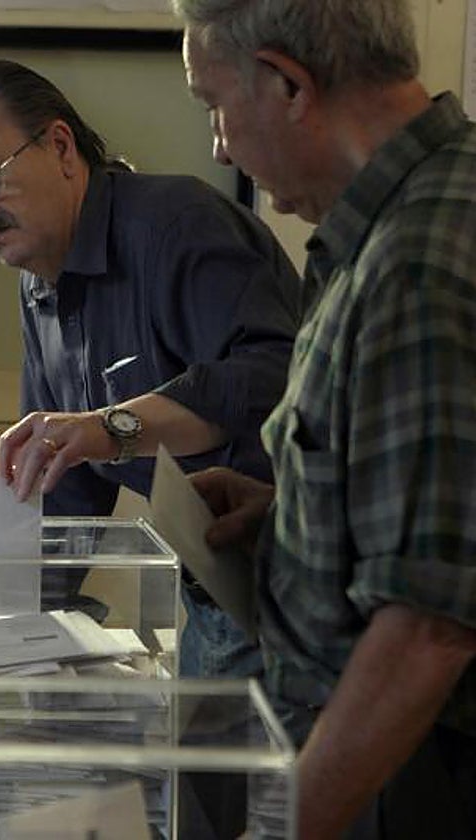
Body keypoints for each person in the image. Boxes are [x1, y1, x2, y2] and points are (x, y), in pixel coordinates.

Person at [174, 0, 476, 836]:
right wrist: (295, 511)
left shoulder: (415, 261)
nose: (220, 145)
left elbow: (427, 626)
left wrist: (283, 829)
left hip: (404, 788)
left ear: (288, 84)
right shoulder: (390, 228)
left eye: (214, 106)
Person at [0, 60, 301, 679]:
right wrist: (1, 634)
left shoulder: (176, 225)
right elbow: (65, 484)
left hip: (300, 576)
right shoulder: (39, 282)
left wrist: (114, 426)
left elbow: (271, 376)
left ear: (61, 146)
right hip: (213, 586)